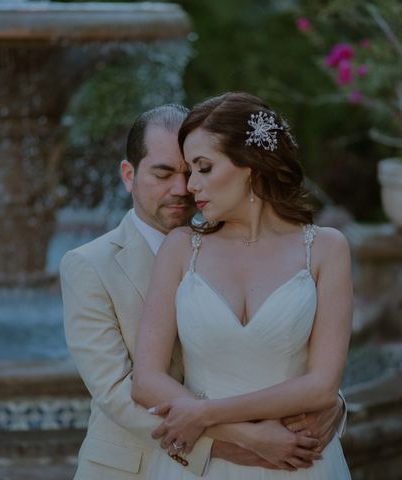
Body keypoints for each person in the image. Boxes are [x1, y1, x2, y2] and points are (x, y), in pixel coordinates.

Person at [61, 103, 346, 480]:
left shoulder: (318, 248)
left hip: (289, 454)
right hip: (138, 464)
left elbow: (310, 367)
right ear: (129, 175)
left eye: (196, 169)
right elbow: (120, 391)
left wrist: (329, 404)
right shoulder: (90, 264)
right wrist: (244, 438)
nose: (185, 187)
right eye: (164, 174)